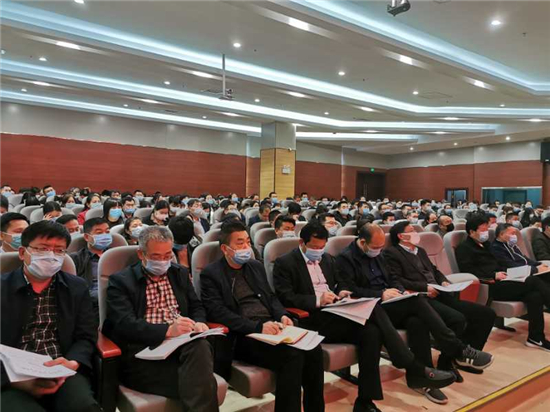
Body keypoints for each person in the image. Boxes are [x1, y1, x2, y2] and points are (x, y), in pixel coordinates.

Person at [274, 223, 456, 412]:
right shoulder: (285, 263)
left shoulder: (327, 259)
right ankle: (411, 365)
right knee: (375, 309)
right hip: (312, 318)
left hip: (336, 311)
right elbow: (285, 296)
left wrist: (342, 292)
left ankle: (365, 401)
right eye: (314, 247)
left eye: (322, 247)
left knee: (372, 332)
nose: (318, 251)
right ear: (302, 242)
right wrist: (317, 300)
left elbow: (340, 284)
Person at [337, 223, 493, 404]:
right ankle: (458, 349)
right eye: (375, 247)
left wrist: (401, 291)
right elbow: (350, 289)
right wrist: (381, 294)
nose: (378, 251)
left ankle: (420, 377)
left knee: (417, 322)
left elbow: (393, 278)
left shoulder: (379, 254)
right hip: (373, 307)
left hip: (392, 301)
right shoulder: (345, 258)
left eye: (381, 247)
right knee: (418, 301)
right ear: (363, 242)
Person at [201, 221, 325, 412]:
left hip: (272, 327)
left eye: (247, 242)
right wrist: (258, 327)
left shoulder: (255, 266)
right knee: (292, 356)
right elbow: (218, 312)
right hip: (243, 335)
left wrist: (282, 315)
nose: (246, 247)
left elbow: (270, 297)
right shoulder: (211, 273)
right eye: (240, 243)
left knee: (314, 349)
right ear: (225, 249)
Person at [103, 226, 219, 411]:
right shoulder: (121, 281)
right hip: (143, 354)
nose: (163, 261)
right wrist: (167, 330)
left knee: (199, 346)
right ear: (141, 254)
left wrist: (199, 322)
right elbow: (124, 324)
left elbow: (196, 306)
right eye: (156, 257)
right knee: (201, 381)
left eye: (167, 255)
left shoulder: (179, 273)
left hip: (182, 348)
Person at [1, 221, 99, 411]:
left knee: (85, 407)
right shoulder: (2, 288)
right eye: (43, 249)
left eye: (59, 250)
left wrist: (72, 362)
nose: (51, 256)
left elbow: (86, 335)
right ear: (22, 252)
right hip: (10, 376)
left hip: (61, 368)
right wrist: (14, 380)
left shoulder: (76, 287)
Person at [385, 222, 496, 384]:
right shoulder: (392, 253)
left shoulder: (420, 251)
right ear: (401, 236)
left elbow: (434, 270)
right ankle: (449, 360)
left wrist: (443, 281)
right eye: (411, 230)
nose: (416, 232)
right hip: (422, 297)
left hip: (440, 293)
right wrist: (425, 287)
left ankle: (462, 359)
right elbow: (398, 280)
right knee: (457, 319)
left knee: (486, 314)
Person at [456, 213, 550, 351]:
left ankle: (535, 338)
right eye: (483, 230)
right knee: (534, 281)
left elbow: (499, 263)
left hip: (505, 280)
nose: (486, 232)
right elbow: (469, 271)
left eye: (487, 229)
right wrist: (493, 275)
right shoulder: (464, 248)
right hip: (491, 285)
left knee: (535, 296)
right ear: (472, 231)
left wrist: (511, 273)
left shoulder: (486, 245)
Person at [69, 217, 112, 316]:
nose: (104, 235)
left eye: (107, 232)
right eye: (99, 233)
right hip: (90, 304)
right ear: (86, 237)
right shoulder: (76, 258)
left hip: (118, 299)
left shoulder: (116, 256)